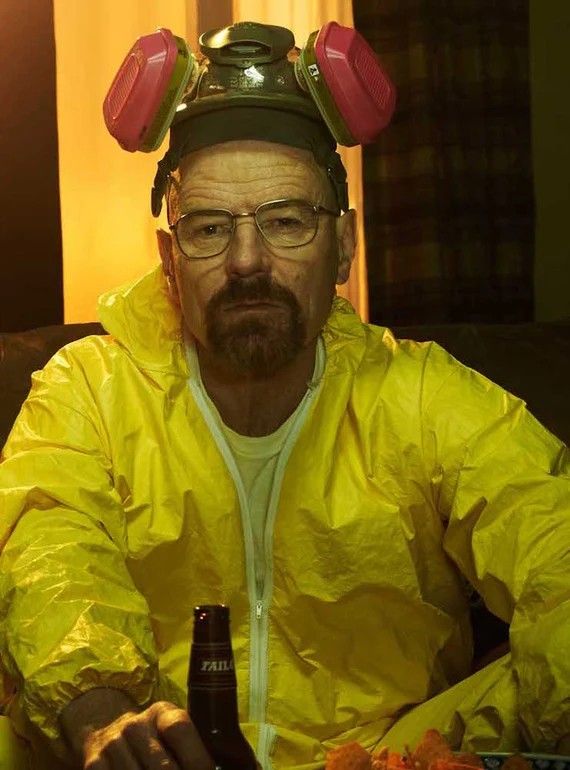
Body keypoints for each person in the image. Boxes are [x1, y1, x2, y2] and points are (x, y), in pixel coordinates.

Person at [0, 19, 569, 770]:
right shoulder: (88, 391)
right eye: (208, 228)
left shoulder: (426, 397)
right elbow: (52, 554)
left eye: (287, 222)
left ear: (344, 245)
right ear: (170, 258)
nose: (246, 261)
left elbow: (552, 545)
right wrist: (106, 718)